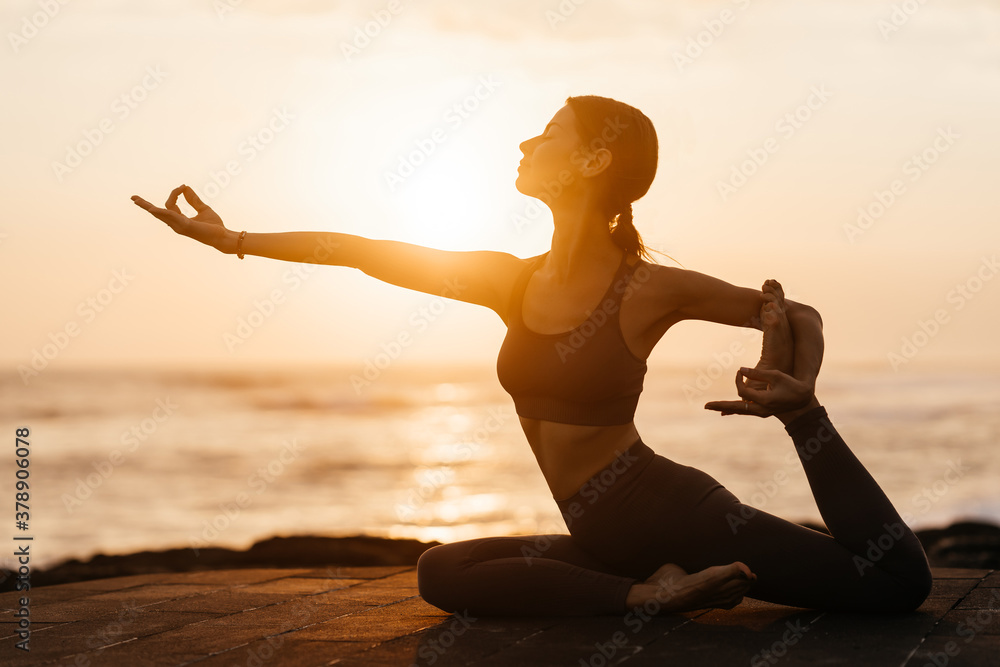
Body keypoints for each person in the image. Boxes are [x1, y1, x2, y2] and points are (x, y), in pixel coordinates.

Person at [132, 95, 932, 616]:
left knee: (895, 584)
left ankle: (669, 577)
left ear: (590, 163)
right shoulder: (508, 281)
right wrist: (230, 239)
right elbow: (362, 250)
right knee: (441, 570)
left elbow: (792, 310)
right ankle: (647, 596)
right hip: (600, 536)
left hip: (671, 509)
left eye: (548, 133)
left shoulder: (645, 288)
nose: (526, 140)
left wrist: (796, 396)